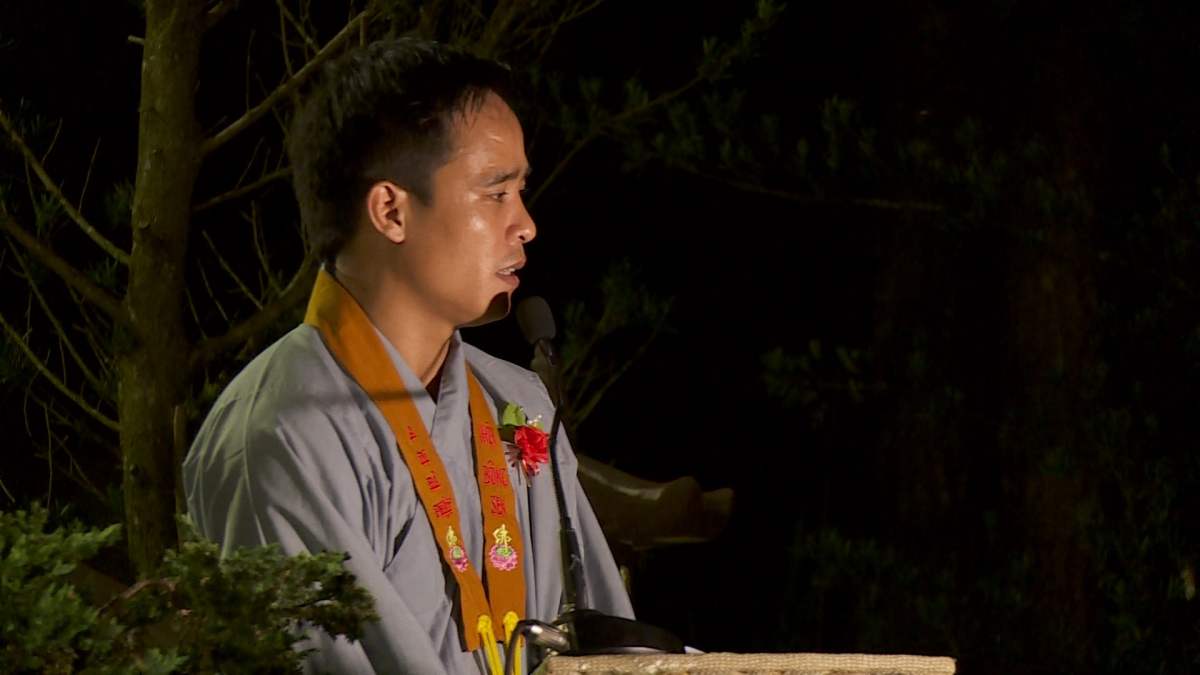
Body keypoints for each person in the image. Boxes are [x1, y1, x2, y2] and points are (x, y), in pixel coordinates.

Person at [183, 38, 633, 674]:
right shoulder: (282, 435)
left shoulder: (518, 403)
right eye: (496, 193)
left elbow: (612, 647)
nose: (526, 224)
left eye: (521, 191)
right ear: (391, 211)